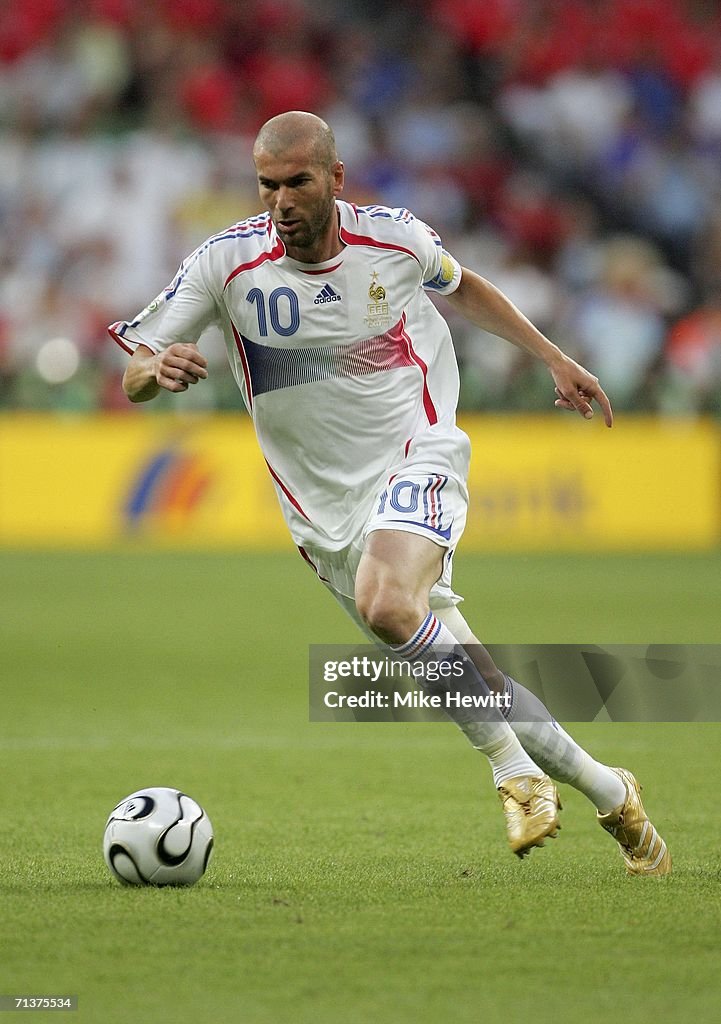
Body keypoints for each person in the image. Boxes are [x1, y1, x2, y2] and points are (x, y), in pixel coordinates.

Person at [110, 111, 670, 875]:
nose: (281, 202)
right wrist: (157, 371)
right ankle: (614, 795)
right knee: (476, 680)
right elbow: (135, 365)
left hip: (417, 452)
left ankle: (513, 776)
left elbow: (463, 287)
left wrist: (552, 357)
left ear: (335, 179)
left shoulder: (395, 238)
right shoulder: (225, 265)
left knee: (385, 603)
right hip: (322, 517)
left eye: (298, 183)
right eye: (268, 186)